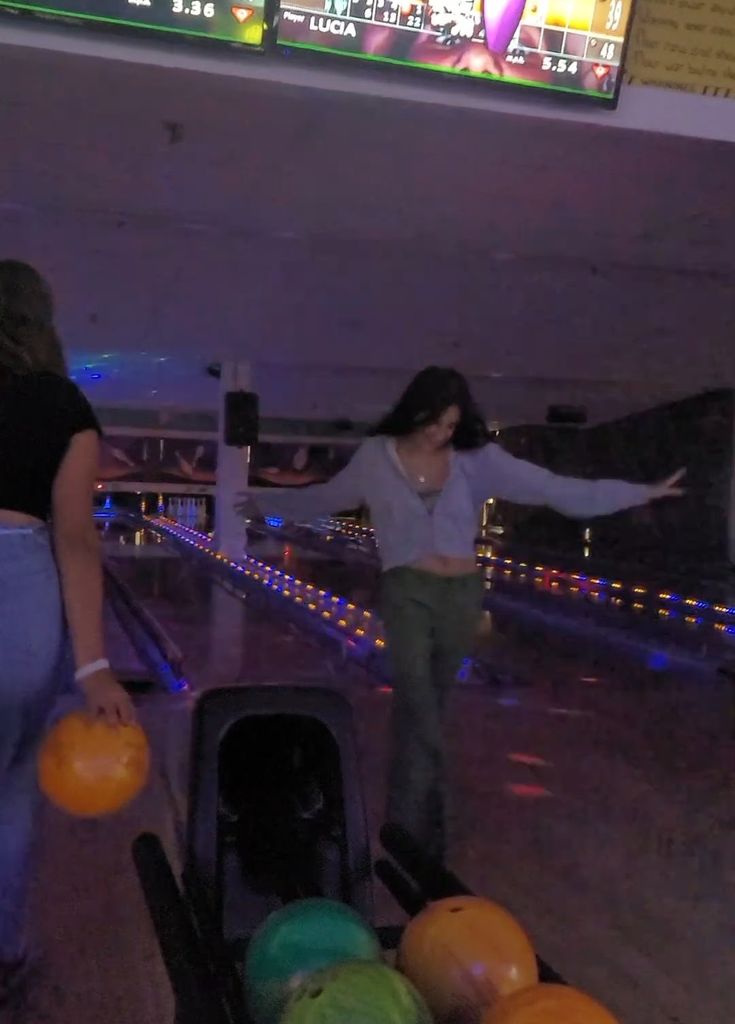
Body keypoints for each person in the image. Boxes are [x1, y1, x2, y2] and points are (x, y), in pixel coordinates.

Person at [236, 366, 685, 861]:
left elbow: (557, 489)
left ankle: (404, 833)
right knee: (421, 707)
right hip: (407, 590)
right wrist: (262, 500)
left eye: (450, 425)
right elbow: (325, 498)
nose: (440, 433)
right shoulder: (376, 456)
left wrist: (639, 493)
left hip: (461, 595)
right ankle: (435, 833)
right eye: (433, 421)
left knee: (419, 717)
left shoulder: (477, 459)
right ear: (415, 410)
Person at [0, 260, 134, 1005]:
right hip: (21, 594)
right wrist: (94, 666)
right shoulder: (62, 405)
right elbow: (76, 540)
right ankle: (4, 954)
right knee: (12, 788)